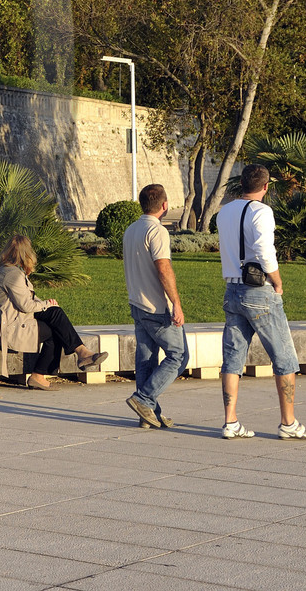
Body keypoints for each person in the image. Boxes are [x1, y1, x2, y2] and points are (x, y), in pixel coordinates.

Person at [216, 163, 306, 441]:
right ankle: (288, 423)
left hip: (232, 289)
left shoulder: (224, 212)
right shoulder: (262, 211)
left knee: (233, 358)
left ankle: (231, 422)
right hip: (258, 290)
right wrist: (277, 280)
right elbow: (264, 249)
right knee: (284, 357)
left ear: (241, 184)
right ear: (265, 186)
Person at [0, 235, 108, 389]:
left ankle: (79, 355)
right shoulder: (12, 275)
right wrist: (46, 305)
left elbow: (27, 299)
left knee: (55, 316)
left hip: (9, 319)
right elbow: (26, 306)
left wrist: (46, 305)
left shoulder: (6, 269)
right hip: (5, 326)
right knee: (55, 327)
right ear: (27, 253)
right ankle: (76, 355)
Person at [121, 184, 188, 429]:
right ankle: (143, 399)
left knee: (146, 359)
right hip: (156, 307)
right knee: (178, 356)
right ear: (164, 205)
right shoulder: (157, 231)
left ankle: (148, 415)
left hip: (136, 303)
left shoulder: (131, 230)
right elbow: (163, 268)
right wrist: (176, 304)